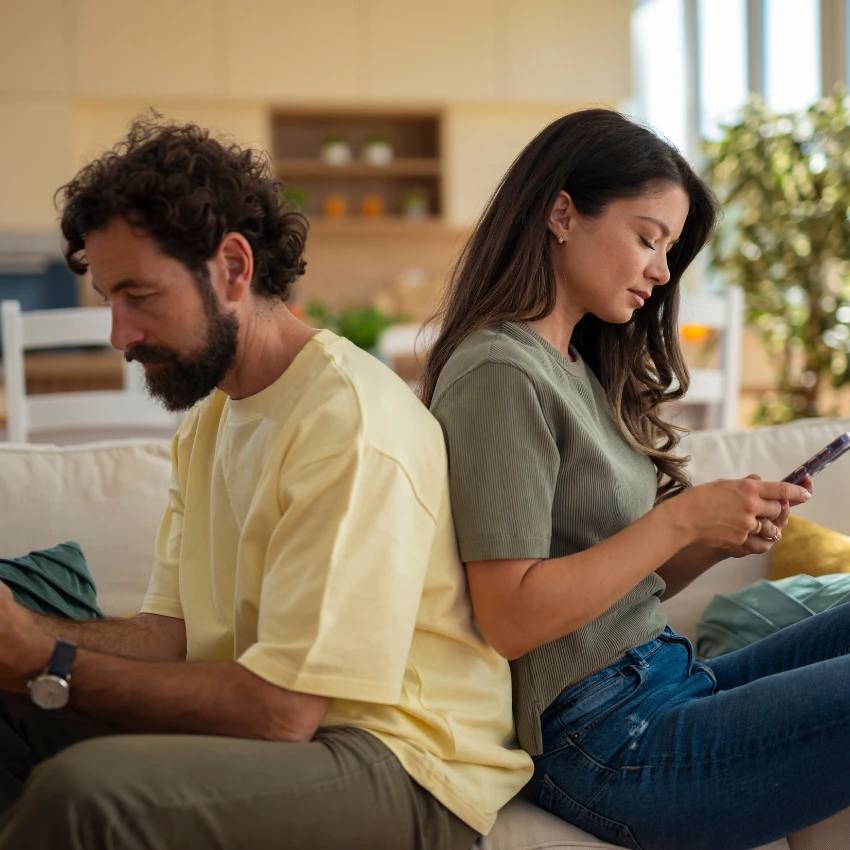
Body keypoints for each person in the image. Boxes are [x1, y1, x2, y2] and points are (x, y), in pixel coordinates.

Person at [0, 117, 532, 850]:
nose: (119, 335)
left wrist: (48, 660)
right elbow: (172, 635)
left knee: (88, 796)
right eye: (108, 301)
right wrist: (24, 637)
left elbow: (283, 710)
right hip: (285, 732)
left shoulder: (347, 421)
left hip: (399, 761)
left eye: (139, 295)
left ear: (233, 268)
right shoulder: (211, 420)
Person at [424, 108, 848, 850]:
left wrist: (715, 539)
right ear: (562, 213)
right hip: (604, 744)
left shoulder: (577, 368)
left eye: (669, 249)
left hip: (657, 684)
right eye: (648, 238)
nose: (661, 269)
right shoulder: (500, 370)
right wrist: (678, 521)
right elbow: (511, 618)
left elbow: (610, 594)